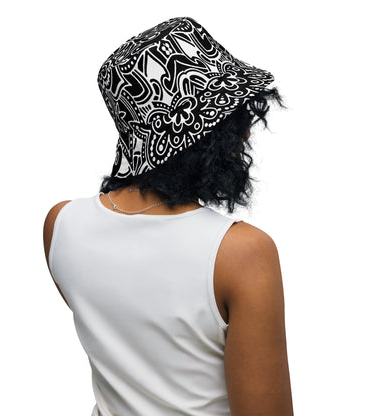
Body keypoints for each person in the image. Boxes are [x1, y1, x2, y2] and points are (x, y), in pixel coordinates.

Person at [43, 16, 293, 416]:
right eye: (232, 120)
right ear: (199, 132)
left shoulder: (61, 225)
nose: (245, 134)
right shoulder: (241, 252)